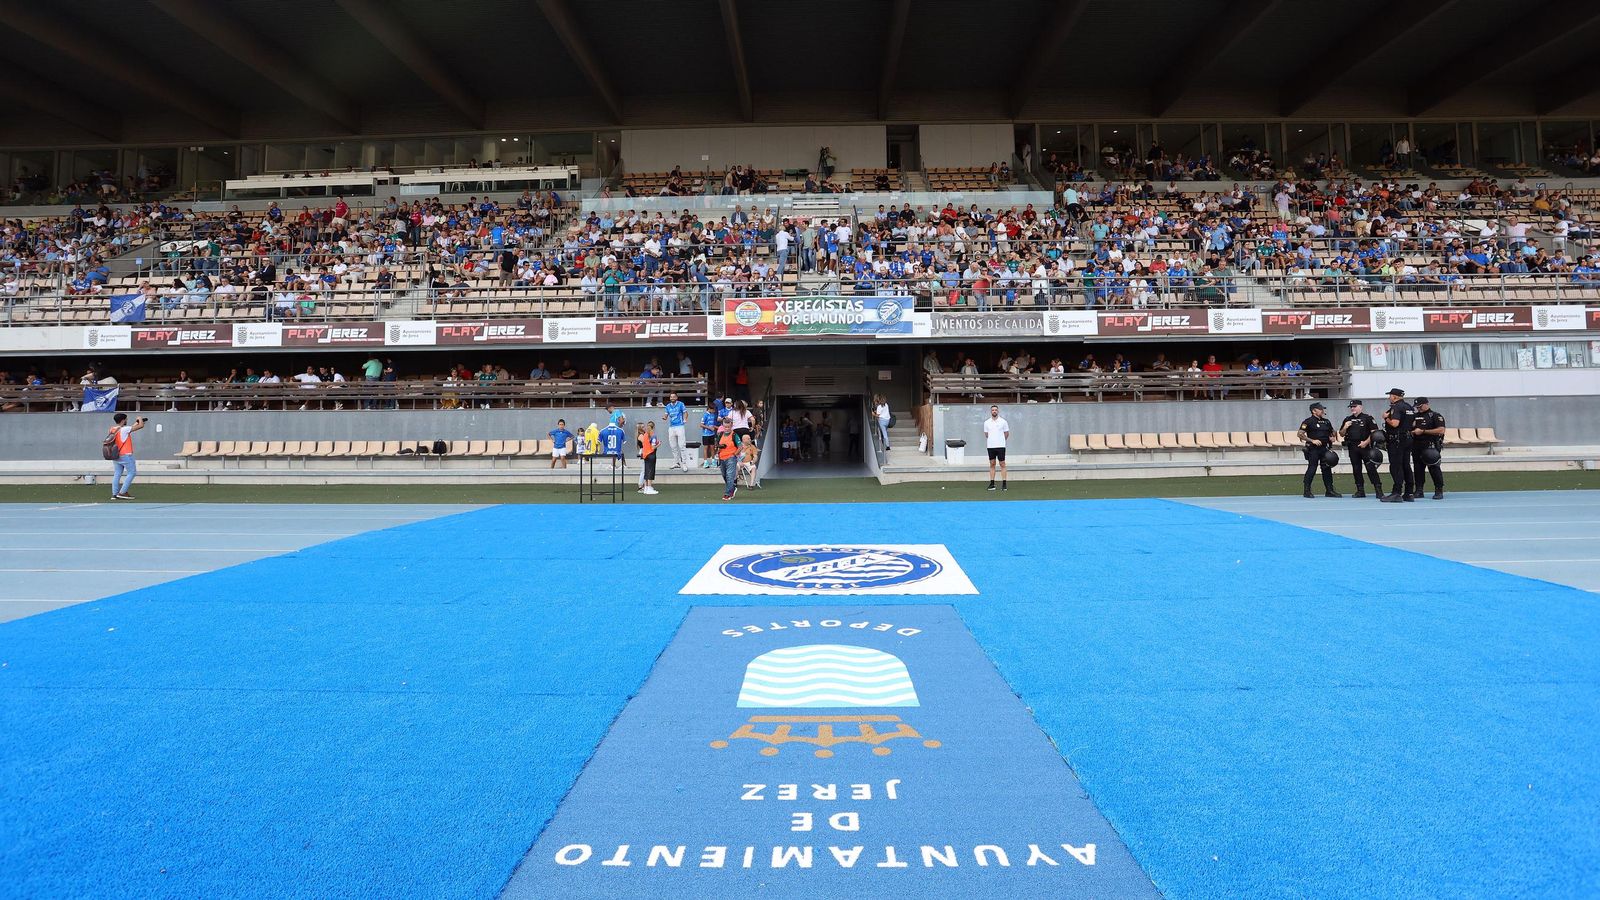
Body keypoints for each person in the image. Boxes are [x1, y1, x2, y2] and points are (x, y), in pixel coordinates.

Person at [1339, 400, 1384, 499]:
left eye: (1354, 406)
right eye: (1351, 407)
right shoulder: (1348, 419)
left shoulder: (1367, 418)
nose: (1352, 408)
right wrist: (1345, 427)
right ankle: (1360, 490)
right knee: (1356, 469)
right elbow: (1341, 434)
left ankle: (1378, 490)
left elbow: (1374, 432)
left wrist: (1366, 442)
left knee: (1370, 468)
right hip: (1353, 446)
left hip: (1365, 446)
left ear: (1360, 407)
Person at [1296, 402, 1342, 498]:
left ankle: (1329, 490)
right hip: (1313, 449)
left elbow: (1332, 432)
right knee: (1312, 468)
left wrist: (1332, 437)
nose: (1323, 411)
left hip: (1325, 448)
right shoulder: (1308, 421)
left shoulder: (1326, 421)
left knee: (1327, 469)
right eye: (1320, 409)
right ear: (1314, 411)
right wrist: (1312, 440)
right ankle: (1307, 490)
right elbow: (1300, 434)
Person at [1379, 388, 1416, 502]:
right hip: (1408, 438)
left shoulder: (1396, 407)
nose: (1389, 397)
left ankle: (1397, 492)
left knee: (1396, 466)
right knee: (1406, 465)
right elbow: (1413, 423)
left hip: (1397, 440)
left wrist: (1386, 418)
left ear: (1395, 396)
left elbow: (1395, 424)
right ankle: (1409, 492)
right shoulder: (1409, 407)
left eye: (1390, 395)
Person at [1410, 396, 1446, 500]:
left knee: (1434, 467)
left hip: (1430, 445)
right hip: (1416, 445)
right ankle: (1419, 490)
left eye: (1420, 406)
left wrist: (1423, 431)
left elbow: (1441, 430)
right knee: (1418, 469)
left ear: (1426, 404)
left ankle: (1439, 490)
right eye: (1417, 407)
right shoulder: (1414, 416)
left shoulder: (1435, 415)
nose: (1418, 409)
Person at [106, 412, 146, 500]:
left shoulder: (112, 429)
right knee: (132, 473)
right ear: (123, 420)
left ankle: (115, 494)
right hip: (126, 455)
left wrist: (136, 422)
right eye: (126, 419)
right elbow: (141, 426)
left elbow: (129, 429)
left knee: (117, 473)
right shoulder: (125, 429)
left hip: (116, 454)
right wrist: (140, 419)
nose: (127, 420)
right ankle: (122, 492)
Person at [982, 405, 1010, 491]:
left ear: (998, 411)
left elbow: (1006, 433)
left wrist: (1000, 440)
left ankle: (1004, 484)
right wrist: (992, 440)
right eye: (993, 410)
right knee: (992, 463)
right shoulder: (986, 422)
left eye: (995, 410)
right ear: (991, 412)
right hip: (990, 446)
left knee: (1002, 464)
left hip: (1001, 446)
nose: (994, 411)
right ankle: (992, 484)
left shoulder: (1003, 421)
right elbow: (986, 434)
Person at [660, 391, 689, 470]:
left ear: (676, 397)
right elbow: (666, 415)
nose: (672, 398)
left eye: (673, 397)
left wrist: (685, 419)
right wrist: (664, 417)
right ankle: (676, 462)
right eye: (671, 397)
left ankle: (684, 463)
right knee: (673, 446)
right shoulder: (668, 406)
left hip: (680, 426)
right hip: (671, 427)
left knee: (682, 445)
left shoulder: (680, 404)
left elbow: (685, 413)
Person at [715, 419, 741, 500]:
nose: (727, 428)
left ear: (731, 426)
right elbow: (717, 446)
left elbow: (740, 447)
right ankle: (732, 488)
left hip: (731, 458)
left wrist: (734, 454)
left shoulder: (734, 435)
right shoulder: (720, 435)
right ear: (723, 426)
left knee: (730, 476)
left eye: (728, 427)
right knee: (724, 475)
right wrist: (718, 451)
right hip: (722, 457)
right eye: (725, 427)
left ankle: (727, 494)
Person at [637, 421, 659, 495]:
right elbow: (653, 447)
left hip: (646, 454)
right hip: (651, 454)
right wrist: (658, 444)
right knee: (650, 471)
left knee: (646, 471)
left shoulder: (645, 435)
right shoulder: (653, 435)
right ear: (654, 427)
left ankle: (646, 487)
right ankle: (649, 487)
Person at [699, 404, 719, 469]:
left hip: (712, 434)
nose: (714, 411)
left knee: (712, 448)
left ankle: (713, 461)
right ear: (709, 409)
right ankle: (705, 462)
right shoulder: (705, 415)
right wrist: (709, 428)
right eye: (713, 410)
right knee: (706, 448)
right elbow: (701, 425)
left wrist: (717, 427)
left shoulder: (713, 415)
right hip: (705, 434)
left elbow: (712, 425)